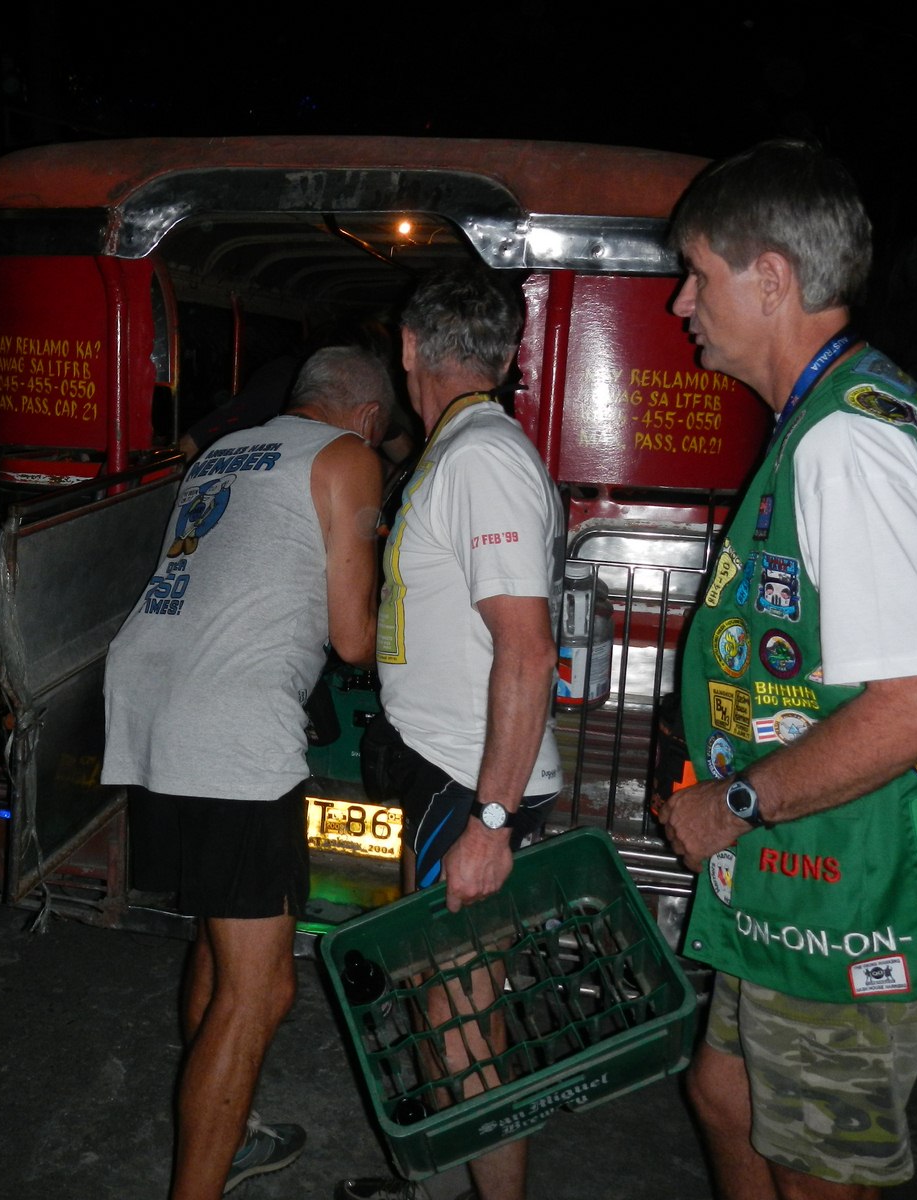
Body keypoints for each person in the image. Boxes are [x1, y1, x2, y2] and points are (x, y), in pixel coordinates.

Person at [657, 140, 917, 1199]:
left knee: (815, 1166)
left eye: (698, 275)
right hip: (802, 880)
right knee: (726, 1096)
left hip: (849, 893)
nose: (682, 303)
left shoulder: (844, 446)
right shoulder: (839, 414)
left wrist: (733, 803)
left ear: (771, 279)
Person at [102, 345, 396, 1199]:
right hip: (229, 719)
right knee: (262, 990)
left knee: (220, 939)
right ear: (367, 416)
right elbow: (354, 638)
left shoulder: (228, 450)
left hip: (149, 699)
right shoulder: (350, 457)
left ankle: (228, 1137)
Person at [340, 269, 564, 1200]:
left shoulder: (480, 459)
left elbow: (528, 652)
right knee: (443, 1005)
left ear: (406, 347)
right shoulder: (460, 450)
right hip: (448, 773)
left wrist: (491, 819)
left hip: (474, 784)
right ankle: (434, 1181)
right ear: (507, 357)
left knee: (463, 1014)